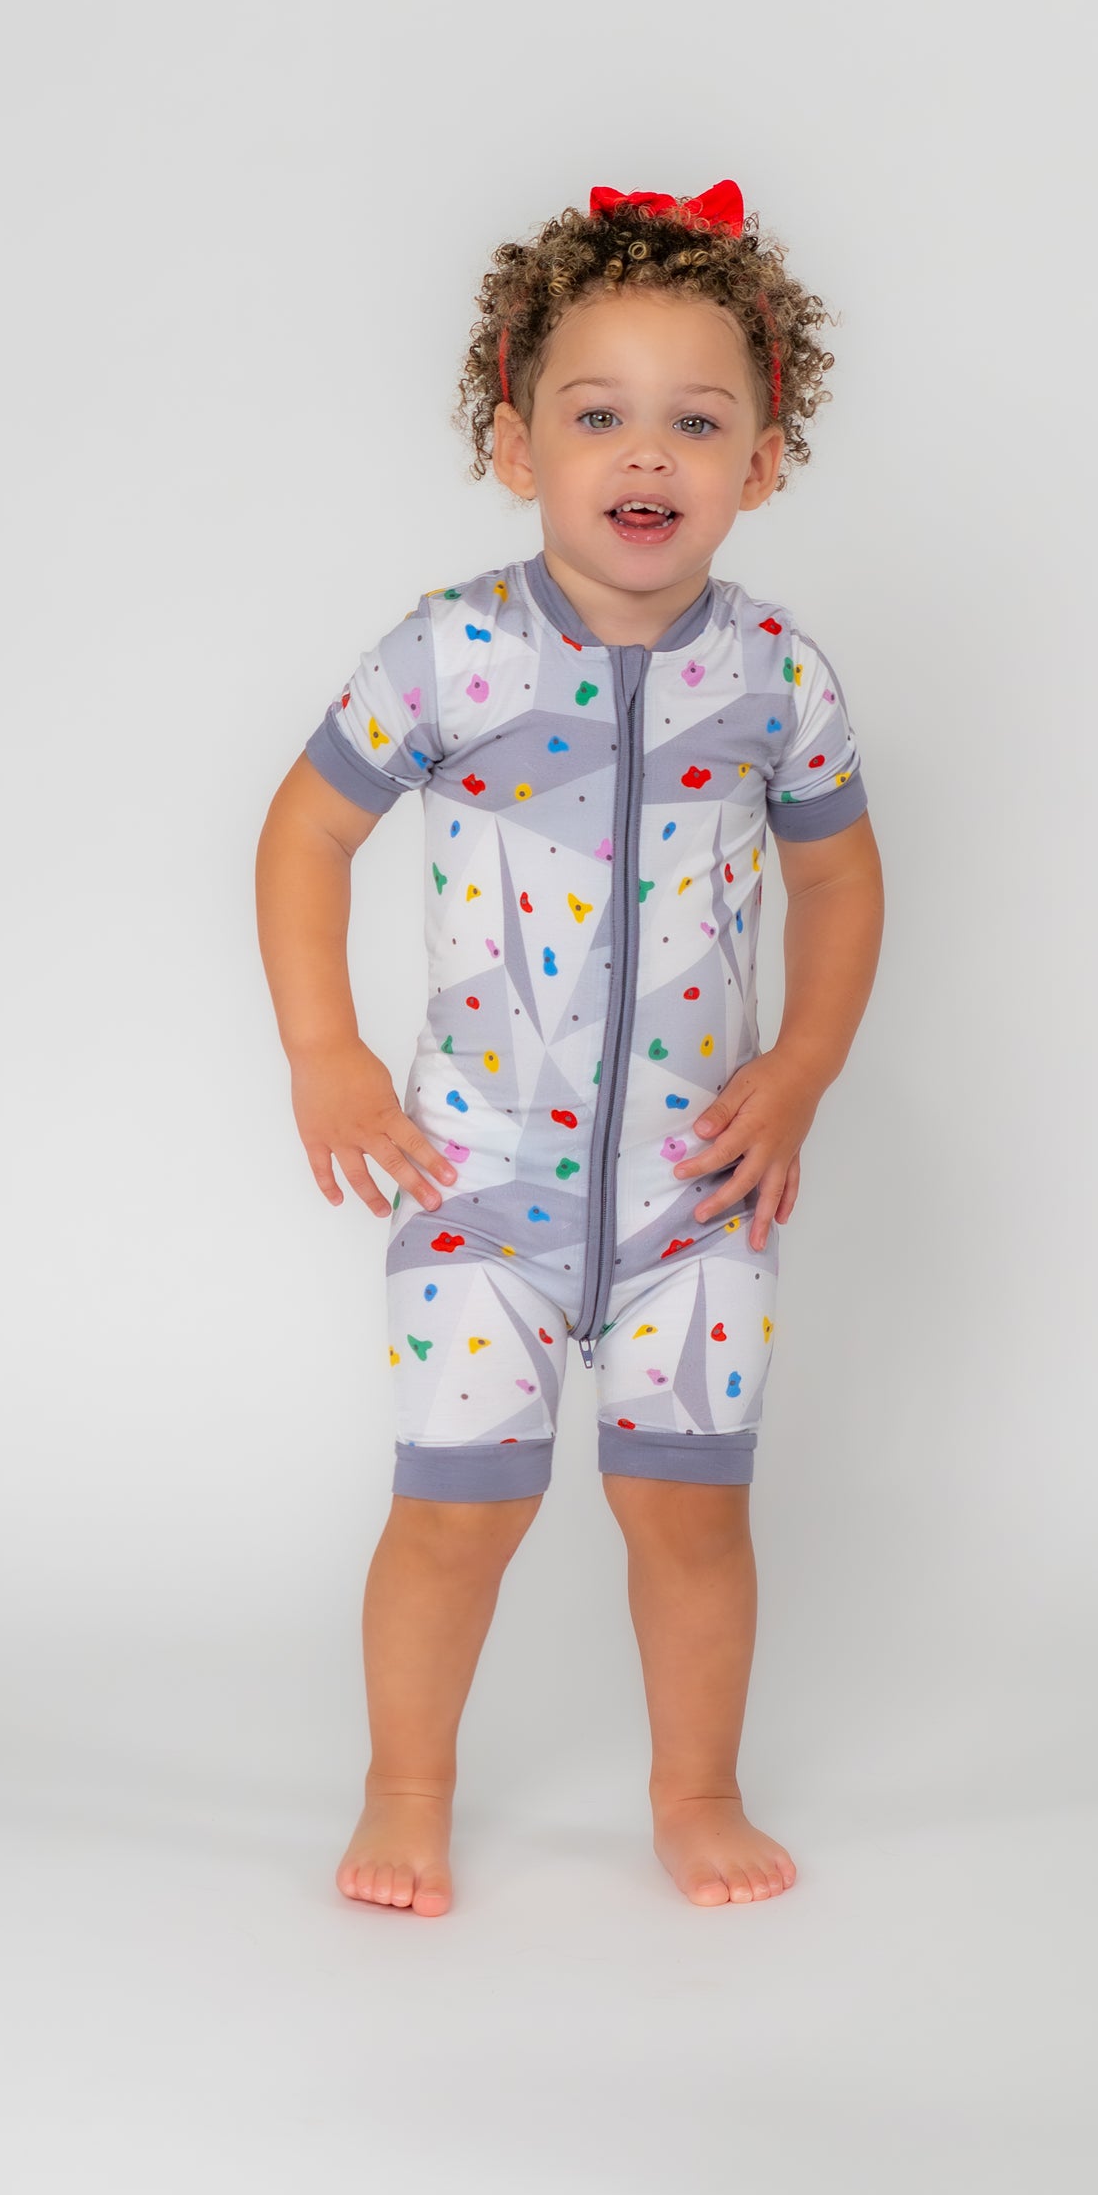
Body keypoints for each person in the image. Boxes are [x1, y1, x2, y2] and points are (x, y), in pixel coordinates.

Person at [255, 181, 884, 1914]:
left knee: (691, 1514)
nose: (647, 451)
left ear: (763, 460)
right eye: (597, 413)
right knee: (455, 1510)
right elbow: (304, 830)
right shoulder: (449, 652)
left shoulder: (774, 676)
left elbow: (838, 876)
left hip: (698, 1194)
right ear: (512, 437)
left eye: (699, 420)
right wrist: (323, 1048)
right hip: (479, 1183)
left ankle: (697, 1792)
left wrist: (802, 1066)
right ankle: (404, 1789)